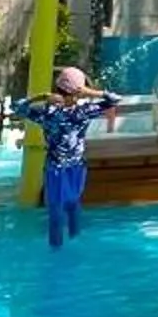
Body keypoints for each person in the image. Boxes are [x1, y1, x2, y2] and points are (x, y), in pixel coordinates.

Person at [13, 66, 117, 249]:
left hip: (55, 168)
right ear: (78, 92)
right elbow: (114, 99)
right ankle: (74, 242)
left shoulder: (47, 114)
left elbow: (18, 107)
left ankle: (56, 249)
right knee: (73, 205)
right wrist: (91, 92)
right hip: (77, 167)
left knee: (56, 210)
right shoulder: (84, 112)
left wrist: (41, 97)